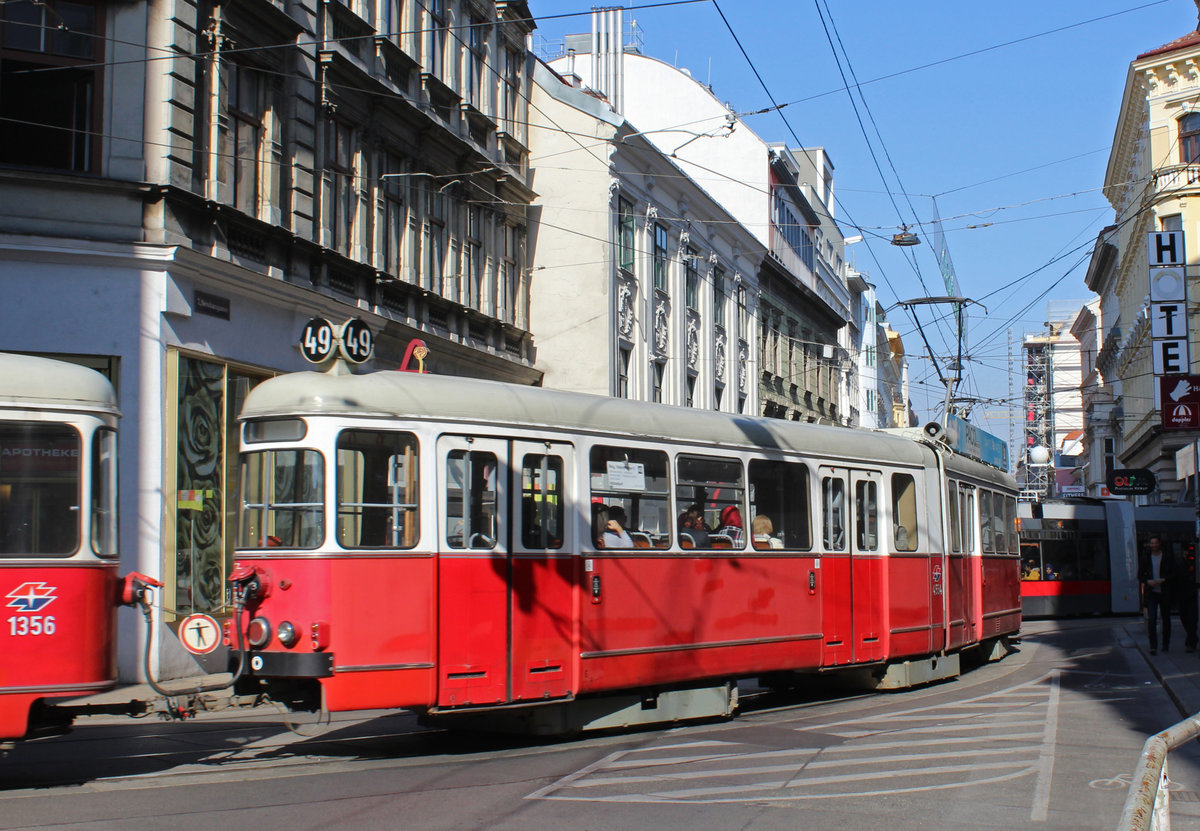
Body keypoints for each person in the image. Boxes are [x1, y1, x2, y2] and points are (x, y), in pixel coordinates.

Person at [1139, 535, 1179, 655]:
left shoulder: (1167, 557)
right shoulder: (1146, 558)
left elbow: (1174, 573)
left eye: (1156, 543)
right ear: (1150, 545)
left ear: (1159, 544)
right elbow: (1140, 575)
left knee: (1166, 619)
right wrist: (1147, 581)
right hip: (1152, 593)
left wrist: (1164, 579)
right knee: (1151, 619)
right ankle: (1153, 646)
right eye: (1152, 543)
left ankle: (1165, 644)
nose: (1154, 545)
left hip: (1164, 592)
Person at [1173, 540, 1199, 653]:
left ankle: (1190, 643)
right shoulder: (1178, 563)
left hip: (1193, 594)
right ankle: (1192, 638)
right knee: (1184, 618)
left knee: (1192, 620)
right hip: (1182, 595)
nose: (1186, 554)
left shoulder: (1195, 562)